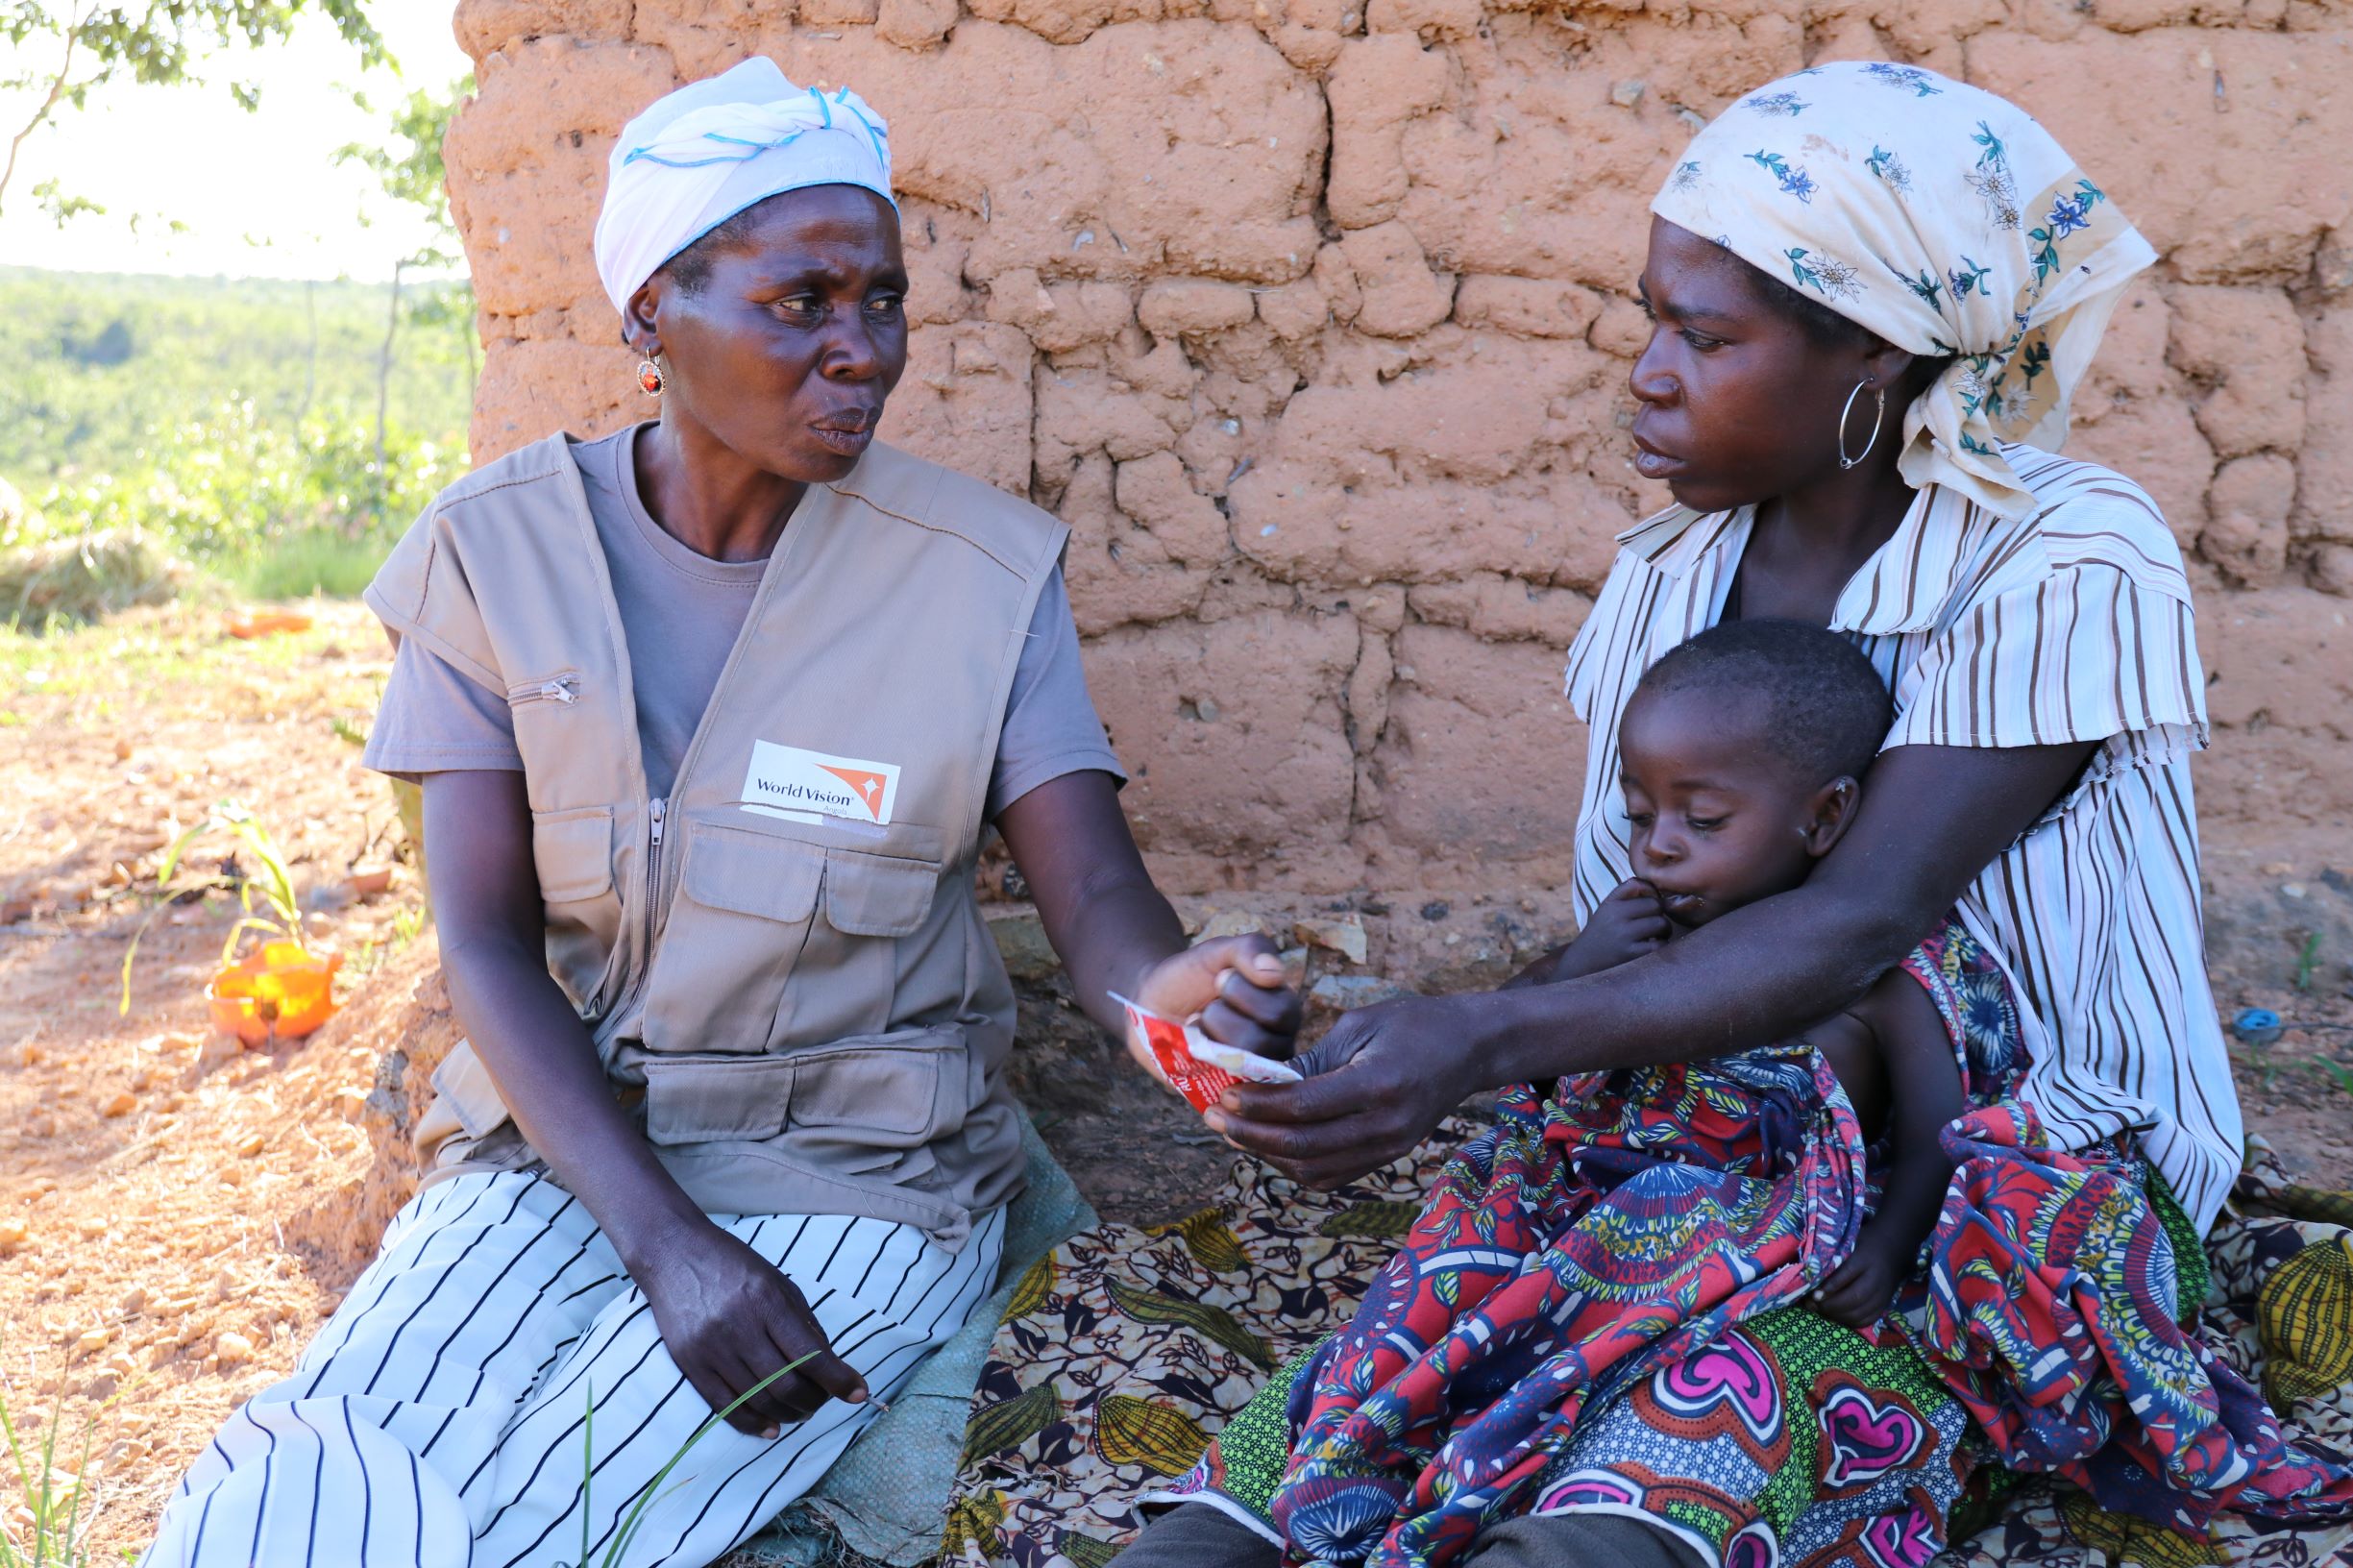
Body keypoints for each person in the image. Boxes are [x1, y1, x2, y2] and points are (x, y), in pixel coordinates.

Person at [1105, 59, 2350, 1568]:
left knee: (1683, 1434)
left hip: (1985, 1168)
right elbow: (1643, 932)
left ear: (1876, 357)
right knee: (1382, 1389)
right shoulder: (1669, 583)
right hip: (1700, 1135)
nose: (1648, 371)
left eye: (1706, 337)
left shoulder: (2063, 555)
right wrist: (1385, 1052)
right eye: (1651, 320)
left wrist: (1481, 1045)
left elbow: (1860, 921)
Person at [141, 59, 1297, 1568]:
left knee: (566, 1513)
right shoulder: (497, 557)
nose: (858, 352)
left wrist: (1169, 997)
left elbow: (1094, 903)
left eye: (880, 300)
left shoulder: (977, 576)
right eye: (797, 302)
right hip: (569, 1153)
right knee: (294, 1486)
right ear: (649, 315)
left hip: (864, 1175)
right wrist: (668, 1245)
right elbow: (484, 946)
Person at [1549, 619, 1965, 1332]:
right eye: (1638, 815)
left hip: (1782, 1259)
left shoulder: (1884, 977)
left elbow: (1939, 1127)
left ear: (1825, 816)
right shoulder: (1650, 931)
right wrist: (1581, 968)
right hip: (1602, 1231)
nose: (1658, 849)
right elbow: (1526, 1061)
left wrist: (1892, 1245)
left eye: (1703, 820)